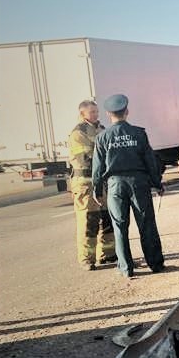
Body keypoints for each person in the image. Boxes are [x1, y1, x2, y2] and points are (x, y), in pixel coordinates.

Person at [91, 93, 166, 278]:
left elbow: (98, 166)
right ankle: (155, 264)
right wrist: (157, 183)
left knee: (119, 227)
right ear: (127, 111)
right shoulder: (139, 133)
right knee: (146, 224)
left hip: (115, 186)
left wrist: (96, 189)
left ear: (109, 114)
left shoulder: (102, 137)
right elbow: (150, 161)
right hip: (138, 183)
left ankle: (126, 268)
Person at [68, 100, 116, 270]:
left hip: (102, 182)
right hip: (85, 184)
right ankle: (87, 259)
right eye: (92, 112)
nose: (96, 114)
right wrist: (109, 159)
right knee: (89, 222)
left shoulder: (102, 129)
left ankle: (108, 254)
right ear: (83, 114)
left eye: (96, 111)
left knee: (107, 219)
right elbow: (86, 159)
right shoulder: (78, 133)